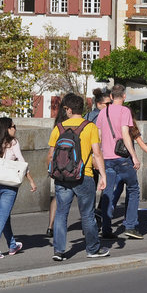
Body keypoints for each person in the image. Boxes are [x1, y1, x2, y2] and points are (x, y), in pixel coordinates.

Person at [49, 93, 109, 260]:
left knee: (61, 213)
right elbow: (97, 153)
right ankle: (92, 249)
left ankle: (59, 251)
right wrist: (103, 175)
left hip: (62, 177)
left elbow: (50, 155)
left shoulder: (59, 128)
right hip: (84, 175)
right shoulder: (89, 127)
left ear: (68, 109)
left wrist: (53, 173)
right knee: (87, 214)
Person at [97, 84, 144, 239]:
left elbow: (98, 137)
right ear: (124, 96)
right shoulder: (125, 111)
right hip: (122, 158)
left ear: (111, 97)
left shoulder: (103, 112)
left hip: (106, 159)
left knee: (107, 193)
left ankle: (106, 228)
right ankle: (130, 225)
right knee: (133, 189)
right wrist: (134, 156)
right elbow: (125, 134)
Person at [1, 117, 37, 257]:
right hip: (9, 184)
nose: (15, 129)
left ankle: (12, 245)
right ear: (7, 129)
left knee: (5, 216)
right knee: (2, 216)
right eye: (13, 126)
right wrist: (31, 181)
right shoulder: (13, 142)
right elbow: (22, 162)